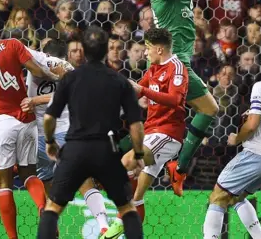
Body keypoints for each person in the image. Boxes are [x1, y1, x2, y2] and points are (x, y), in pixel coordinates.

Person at [37, 26, 145, 239]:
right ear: (106, 50)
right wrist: (139, 154)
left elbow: (49, 117)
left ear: (84, 51)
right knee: (127, 208)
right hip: (107, 149)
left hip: (75, 149)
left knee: (53, 208)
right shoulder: (120, 82)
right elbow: (136, 125)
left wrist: (50, 141)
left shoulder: (70, 78)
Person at [0, 12, 61, 239]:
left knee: (3, 183)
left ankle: (12, 237)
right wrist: (54, 78)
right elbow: (36, 70)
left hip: (0, 121)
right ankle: (42, 207)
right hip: (26, 117)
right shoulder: (11, 44)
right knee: (29, 173)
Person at [144, 0, 218, 196]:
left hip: (178, 63)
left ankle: (175, 166)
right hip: (173, 64)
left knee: (159, 124)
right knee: (208, 109)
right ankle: (179, 166)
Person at [203, 42, 261, 239]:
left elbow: (252, 124)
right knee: (237, 197)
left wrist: (236, 139)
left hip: (256, 154)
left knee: (218, 197)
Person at [23, 38, 114, 237]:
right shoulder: (69, 70)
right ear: (66, 55)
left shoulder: (34, 62)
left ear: (44, 52)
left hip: (38, 135)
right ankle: (103, 224)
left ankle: (51, 228)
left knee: (47, 183)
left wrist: (36, 99)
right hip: (65, 132)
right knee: (84, 180)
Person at [104, 27, 188, 239]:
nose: (145, 52)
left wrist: (143, 91)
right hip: (151, 131)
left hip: (168, 134)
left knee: (128, 161)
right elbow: (136, 89)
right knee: (137, 197)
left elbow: (176, 100)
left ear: (159, 49)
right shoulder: (153, 68)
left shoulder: (176, 68)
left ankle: (118, 221)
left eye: (148, 48)